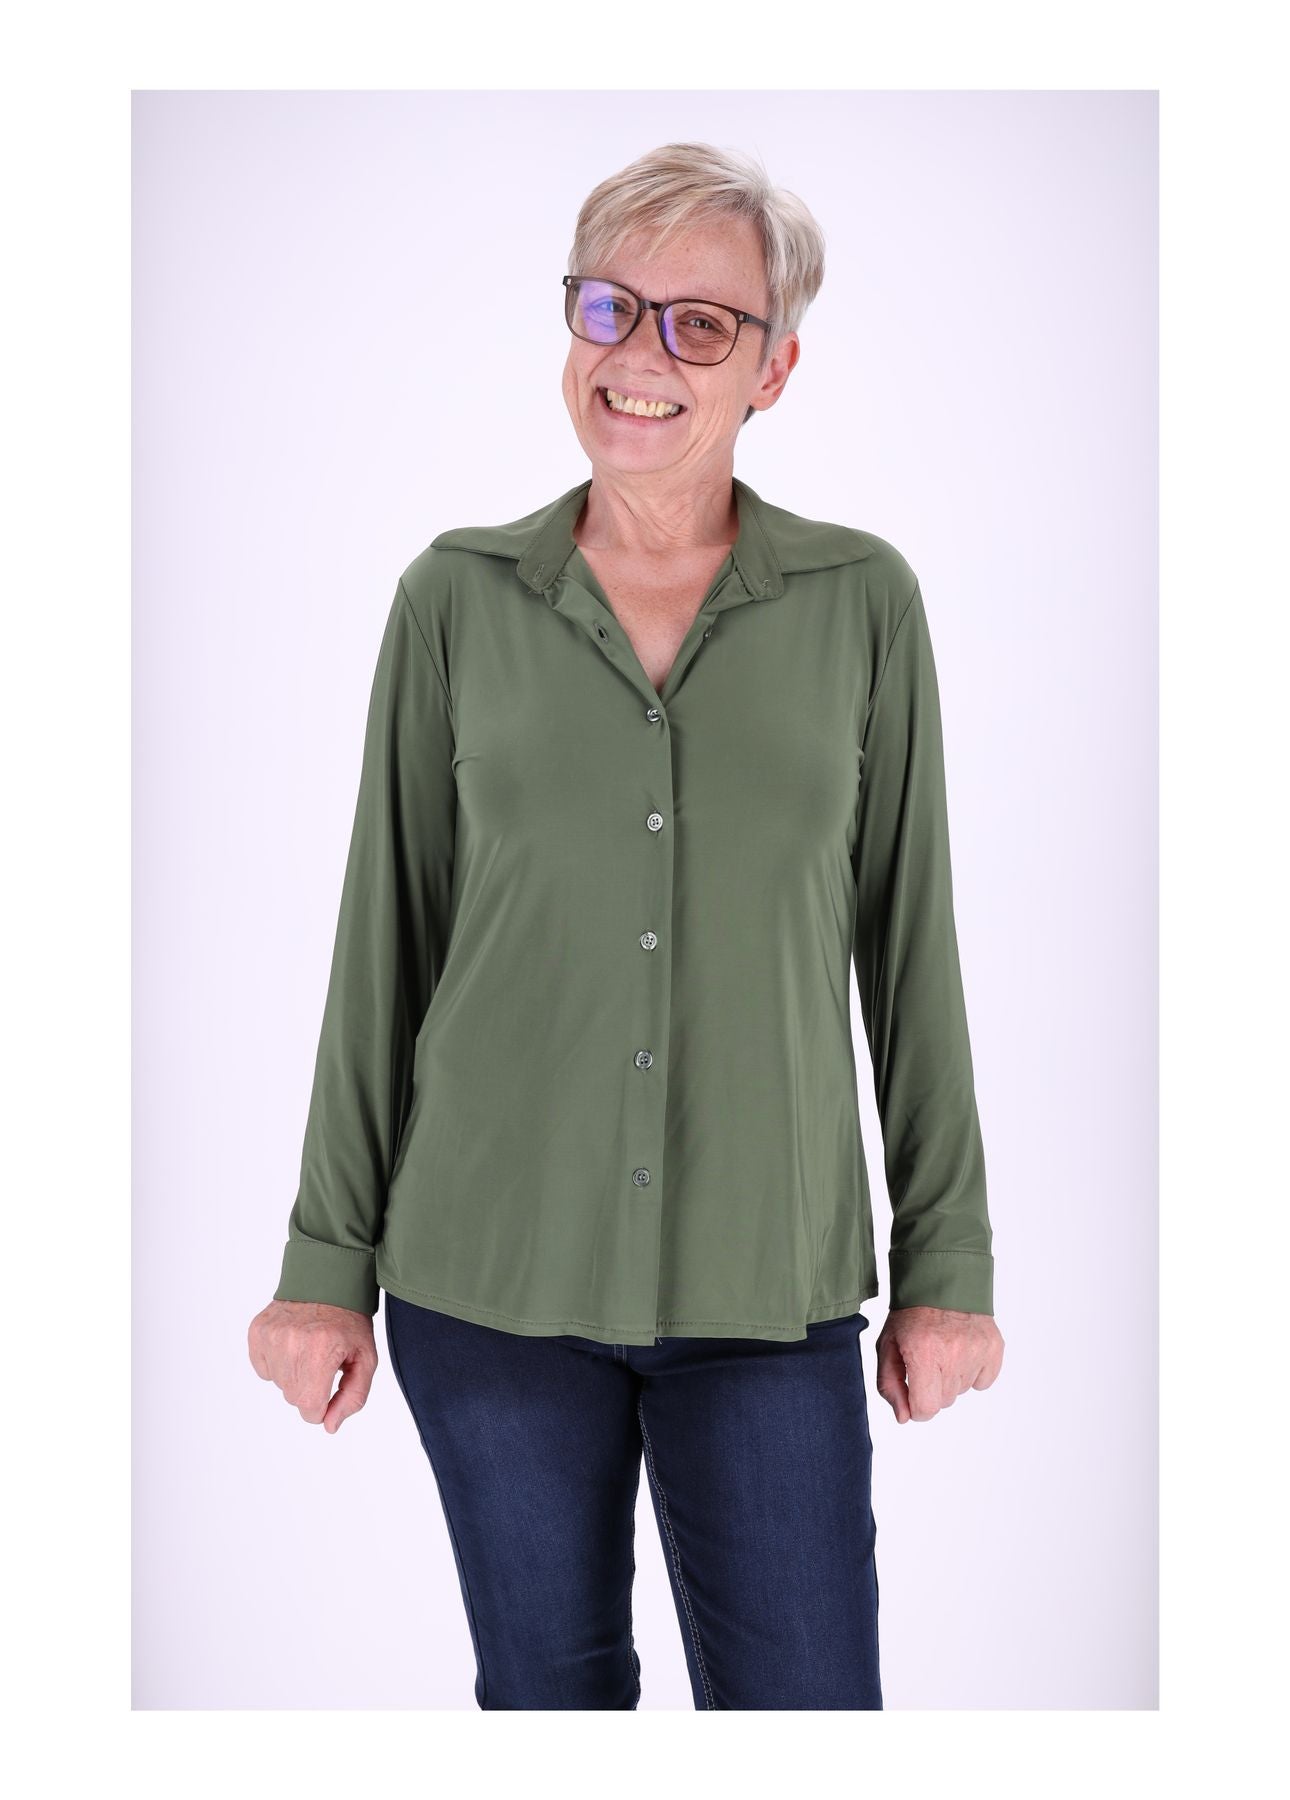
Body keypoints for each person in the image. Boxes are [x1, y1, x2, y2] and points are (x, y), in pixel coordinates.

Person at [247, 141, 1005, 1711]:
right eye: (609, 306)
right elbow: (383, 943)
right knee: (551, 1708)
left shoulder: (861, 604)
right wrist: (324, 1265)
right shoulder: (454, 601)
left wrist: (947, 1264)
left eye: (698, 323)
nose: (639, 354)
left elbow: (910, 950)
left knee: (807, 1709)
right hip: (487, 1280)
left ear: (772, 370)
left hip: (765, 1288)